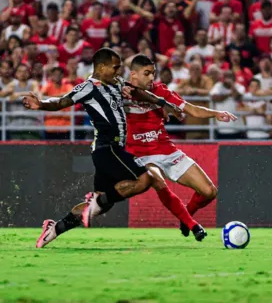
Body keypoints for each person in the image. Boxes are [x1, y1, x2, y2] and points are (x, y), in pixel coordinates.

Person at [23, 48, 200, 247]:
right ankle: (95, 202)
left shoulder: (116, 83)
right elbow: (62, 101)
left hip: (112, 149)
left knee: (103, 204)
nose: (118, 72)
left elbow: (139, 92)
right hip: (107, 147)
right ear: (101, 67)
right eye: (115, 68)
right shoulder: (88, 87)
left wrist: (162, 103)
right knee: (145, 179)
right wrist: (41, 104)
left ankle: (55, 228)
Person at [127, 54, 237, 236]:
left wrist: (216, 113)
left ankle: (185, 217)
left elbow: (191, 109)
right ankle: (192, 224)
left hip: (166, 150)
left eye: (153, 73)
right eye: (146, 73)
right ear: (133, 74)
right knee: (157, 179)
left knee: (209, 191)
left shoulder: (160, 91)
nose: (151, 78)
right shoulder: (121, 93)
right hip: (139, 155)